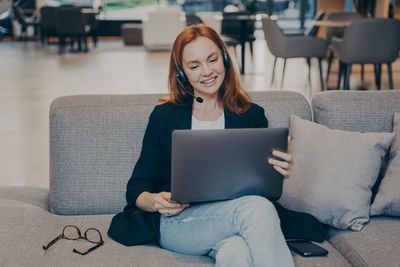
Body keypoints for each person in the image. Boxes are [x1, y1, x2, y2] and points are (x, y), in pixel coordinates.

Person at [108, 24, 297, 266]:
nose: (207, 71)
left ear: (225, 59)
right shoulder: (164, 117)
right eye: (194, 66)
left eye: (212, 59)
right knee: (257, 209)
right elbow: (136, 188)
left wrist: (280, 172)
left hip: (232, 220)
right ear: (181, 73)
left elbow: (264, 189)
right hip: (180, 223)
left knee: (236, 253)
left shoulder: (252, 115)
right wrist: (156, 200)